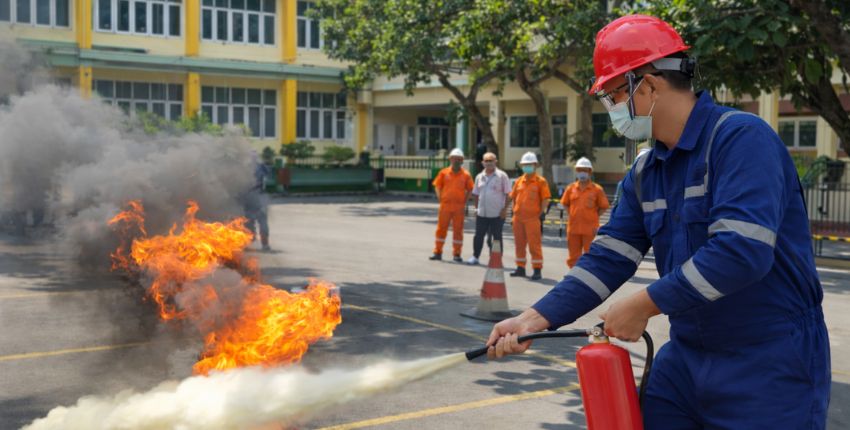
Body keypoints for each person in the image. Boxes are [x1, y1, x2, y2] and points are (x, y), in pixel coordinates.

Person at [486, 14, 829, 429]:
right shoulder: (646, 172)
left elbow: (741, 253)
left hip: (768, 359)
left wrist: (643, 305)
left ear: (647, 85)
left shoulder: (740, 139)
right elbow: (607, 259)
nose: (612, 108)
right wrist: (532, 320)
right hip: (687, 355)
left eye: (614, 94)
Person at [508, 152, 551, 280]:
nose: (527, 167)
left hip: (532, 219)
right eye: (525, 165)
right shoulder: (519, 181)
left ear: (535, 165)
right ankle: (520, 267)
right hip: (518, 219)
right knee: (519, 244)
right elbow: (513, 197)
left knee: (534, 245)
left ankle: (537, 270)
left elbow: (546, 199)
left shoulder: (540, 182)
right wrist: (512, 212)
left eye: (529, 164)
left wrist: (540, 213)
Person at [561, 157, 610, 267]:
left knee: (590, 255)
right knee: (573, 256)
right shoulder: (570, 188)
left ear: (590, 172)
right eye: (579, 170)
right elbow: (565, 203)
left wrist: (594, 215)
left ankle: (588, 276)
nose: (582, 172)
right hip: (573, 228)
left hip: (590, 229)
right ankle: (574, 275)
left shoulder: (597, 189)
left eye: (584, 170)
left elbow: (604, 206)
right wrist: (572, 214)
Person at [430, 148, 474, 262]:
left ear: (462, 160)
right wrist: (440, 198)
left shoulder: (466, 175)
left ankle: (457, 254)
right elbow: (437, 186)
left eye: (459, 159)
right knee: (441, 229)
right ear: (450, 159)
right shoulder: (443, 172)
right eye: (454, 158)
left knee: (458, 230)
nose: (456, 161)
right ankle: (437, 252)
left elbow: (470, 189)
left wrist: (465, 201)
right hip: (445, 206)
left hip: (459, 207)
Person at [468, 152, 511, 265]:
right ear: (483, 163)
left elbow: (508, 194)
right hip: (482, 214)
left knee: (497, 238)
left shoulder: (502, 176)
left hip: (497, 214)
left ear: (495, 162)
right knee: (478, 236)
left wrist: (504, 210)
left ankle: (496, 259)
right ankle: (475, 256)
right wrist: (476, 209)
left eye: (491, 160)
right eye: (486, 161)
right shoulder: (479, 176)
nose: (488, 163)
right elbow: (476, 194)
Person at [244, 153, 272, 251]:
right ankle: (264, 244)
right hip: (258, 196)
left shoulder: (244, 167)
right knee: (261, 220)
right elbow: (268, 173)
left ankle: (249, 243)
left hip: (251, 196)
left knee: (250, 221)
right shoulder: (261, 166)